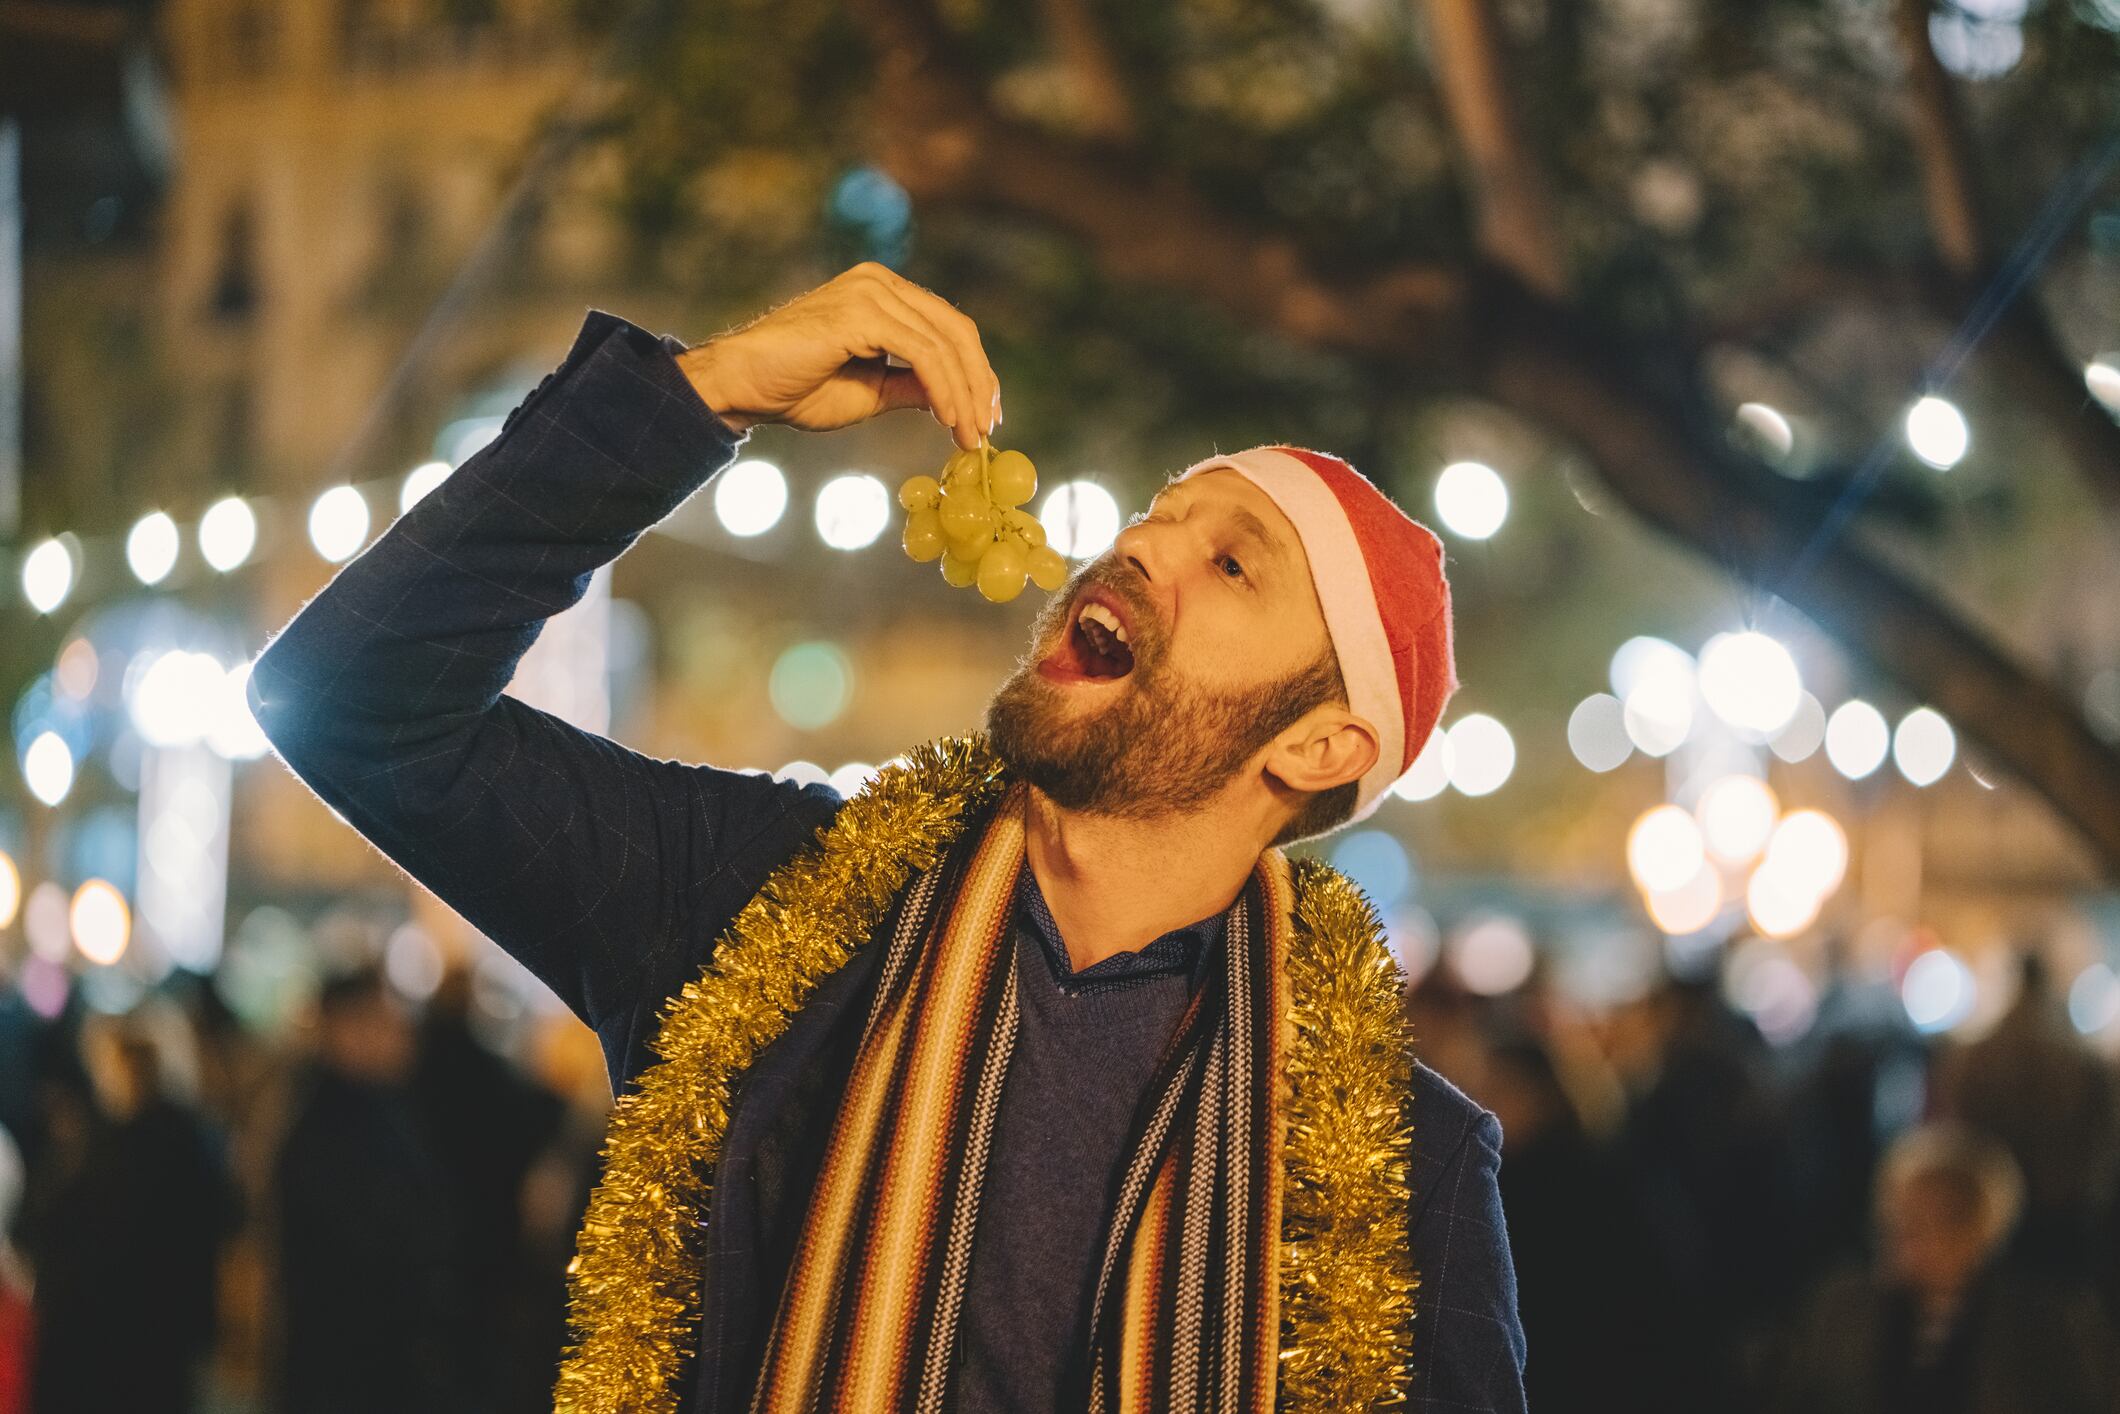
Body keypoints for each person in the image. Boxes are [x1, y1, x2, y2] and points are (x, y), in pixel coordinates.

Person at [249, 262, 1527, 1412]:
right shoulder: (767, 908)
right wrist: (703, 395)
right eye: (1157, 514)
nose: (1139, 546)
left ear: (1314, 748)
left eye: (1231, 566)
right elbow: (357, 708)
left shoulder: (1399, 1171)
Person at [1772, 1122, 2114, 1414]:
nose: (1903, 1234)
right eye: (1896, 1216)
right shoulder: (1842, 1308)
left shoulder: (2043, 1325)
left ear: (1980, 1227)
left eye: (1928, 1221)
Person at [271, 968, 469, 1414]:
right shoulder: (330, 1132)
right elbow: (365, 1253)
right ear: (346, 1030)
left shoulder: (382, 1112)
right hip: (353, 1372)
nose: (403, 1032)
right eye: (386, 1017)